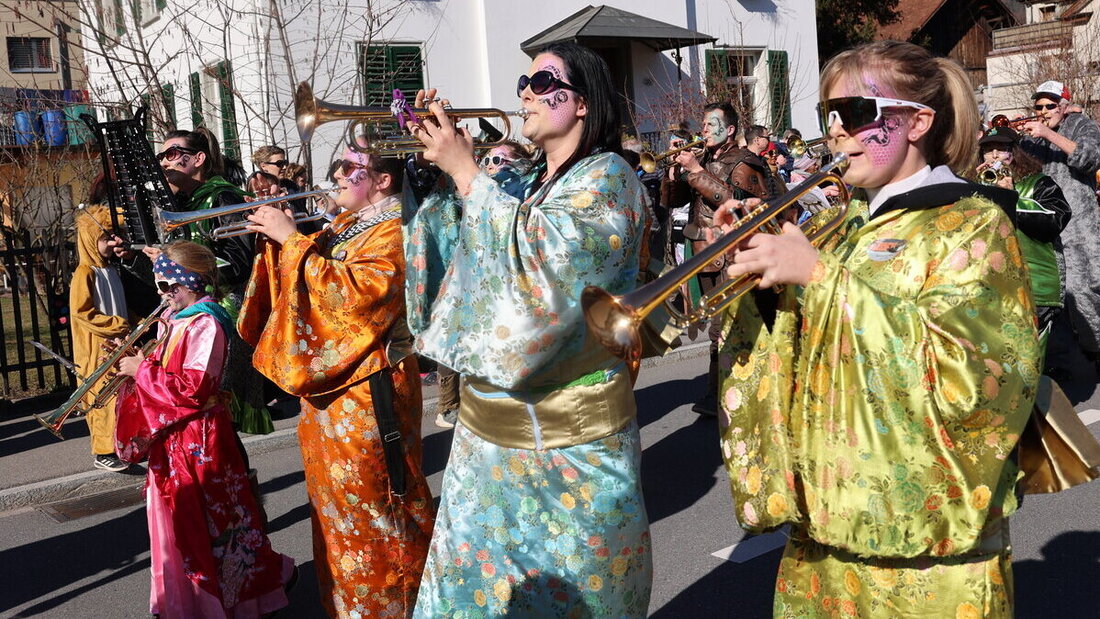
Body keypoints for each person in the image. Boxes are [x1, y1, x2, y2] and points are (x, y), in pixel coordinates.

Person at [713, 40, 1039, 617]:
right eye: (827, 115)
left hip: (924, 549)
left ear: (917, 122)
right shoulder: (841, 230)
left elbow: (980, 382)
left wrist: (821, 278)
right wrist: (759, 278)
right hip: (823, 529)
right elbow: (788, 354)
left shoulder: (971, 224)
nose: (836, 131)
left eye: (857, 113)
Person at [403, 41, 651, 617]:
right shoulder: (528, 180)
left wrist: (466, 172)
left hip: (569, 453)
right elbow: (467, 248)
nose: (525, 94)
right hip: (486, 450)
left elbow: (552, 269)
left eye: (544, 83)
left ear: (582, 102)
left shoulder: (610, 177)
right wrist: (438, 165)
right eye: (524, 81)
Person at [238, 150, 434, 617]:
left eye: (350, 168)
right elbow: (298, 289)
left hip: (371, 393)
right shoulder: (345, 224)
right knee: (337, 516)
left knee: (378, 510)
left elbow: (353, 298)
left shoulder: (399, 229)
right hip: (330, 398)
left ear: (383, 179)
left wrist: (294, 242)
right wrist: (279, 242)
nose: (338, 176)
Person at [114, 240, 295, 618]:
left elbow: (194, 389)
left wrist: (141, 371)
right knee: (182, 520)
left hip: (201, 439)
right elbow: (168, 374)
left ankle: (227, 599)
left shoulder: (206, 322)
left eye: (169, 286)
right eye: (159, 285)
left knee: (215, 522)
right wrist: (137, 362)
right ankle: (187, 601)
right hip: (174, 438)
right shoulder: (174, 319)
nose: (162, 294)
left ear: (193, 282)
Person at [157, 128, 272, 434]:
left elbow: (238, 262)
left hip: (223, 314)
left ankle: (236, 481)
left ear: (198, 158)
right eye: (162, 156)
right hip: (194, 313)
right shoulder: (182, 203)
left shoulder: (223, 195)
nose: (164, 162)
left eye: (172, 154)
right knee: (205, 424)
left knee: (218, 420)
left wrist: (186, 265)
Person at [670, 104, 772, 417]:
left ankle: (728, 394)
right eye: (702, 123)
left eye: (710, 124)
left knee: (727, 326)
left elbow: (736, 204)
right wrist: (675, 172)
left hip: (730, 255)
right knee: (718, 324)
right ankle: (722, 393)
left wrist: (697, 172)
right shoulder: (707, 158)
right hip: (704, 254)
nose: (703, 129)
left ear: (729, 130)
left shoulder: (743, 162)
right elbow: (673, 202)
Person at [1018, 80, 1100, 375]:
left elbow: (1089, 159)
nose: (1042, 111)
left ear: (1064, 105)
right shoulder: (1039, 135)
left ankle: (1094, 350)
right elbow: (1023, 159)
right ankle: (1065, 361)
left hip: (1081, 226)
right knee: (1057, 297)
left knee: (1085, 290)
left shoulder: (1080, 124)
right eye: (1038, 106)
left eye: (1049, 105)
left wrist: (1048, 133)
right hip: (1050, 229)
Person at [976, 125, 1071, 361]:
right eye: (988, 150)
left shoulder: (1039, 182)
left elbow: (1056, 219)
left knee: (1028, 361)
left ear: (1014, 153)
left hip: (1035, 288)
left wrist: (1010, 198)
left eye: (1001, 149)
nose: (995, 156)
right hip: (989, 288)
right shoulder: (975, 185)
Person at [70, 203, 133, 472]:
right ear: (90, 239)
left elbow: (120, 303)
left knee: (121, 395)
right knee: (101, 399)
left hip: (116, 343)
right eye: (106, 237)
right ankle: (103, 450)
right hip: (97, 349)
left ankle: (120, 444)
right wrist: (118, 325)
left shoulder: (111, 270)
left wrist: (134, 322)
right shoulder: (84, 273)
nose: (112, 242)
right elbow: (83, 312)